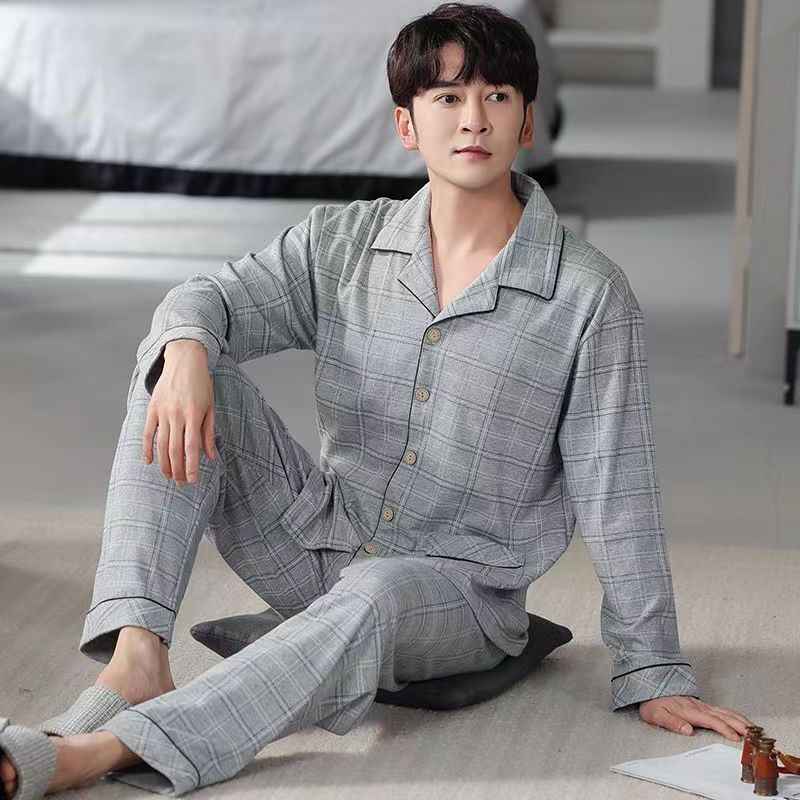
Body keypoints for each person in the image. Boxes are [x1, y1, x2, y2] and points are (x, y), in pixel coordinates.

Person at [0, 3, 754, 797]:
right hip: (320, 544)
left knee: (377, 590)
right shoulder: (346, 241)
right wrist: (187, 347)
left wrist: (652, 666)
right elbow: (207, 298)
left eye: (497, 97)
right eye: (447, 97)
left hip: (457, 598)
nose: (473, 119)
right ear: (407, 125)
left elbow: (618, 489)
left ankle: (107, 750)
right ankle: (136, 660)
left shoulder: (587, 296)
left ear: (527, 121)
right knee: (176, 363)